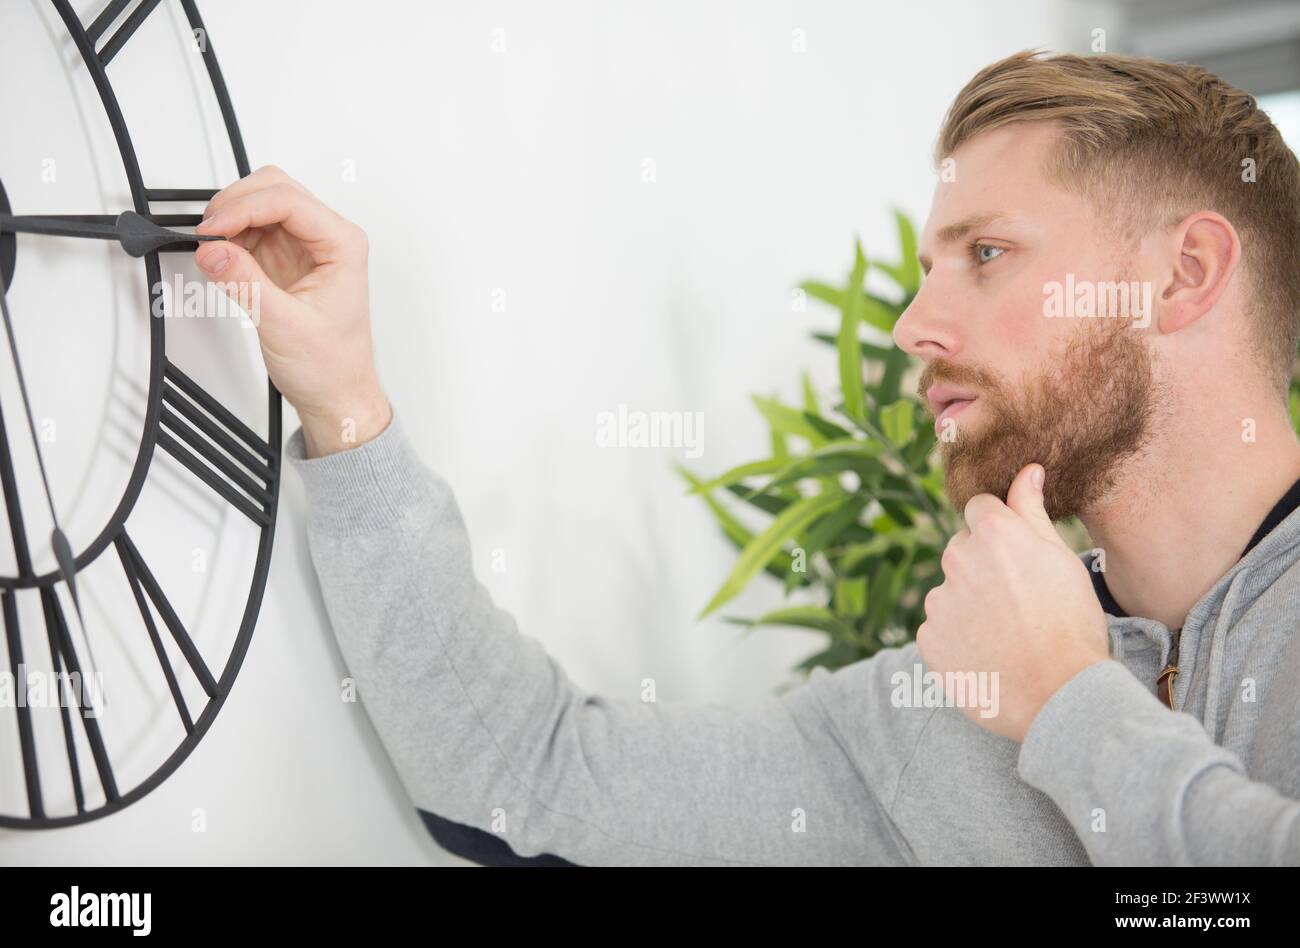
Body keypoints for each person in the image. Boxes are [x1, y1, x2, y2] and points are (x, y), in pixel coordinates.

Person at [193, 50, 1300, 866]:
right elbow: (522, 777)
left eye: (988, 253)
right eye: (926, 267)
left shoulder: (1030, 672)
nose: (913, 324)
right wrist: (346, 406)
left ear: (1179, 276)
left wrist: (1065, 702)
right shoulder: (946, 697)